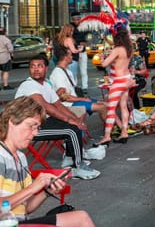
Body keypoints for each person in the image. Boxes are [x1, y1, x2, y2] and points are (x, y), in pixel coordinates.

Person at [0, 97, 95, 226]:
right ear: (12, 121)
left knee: (81, 218)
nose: (35, 133)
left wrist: (47, 190)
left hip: (19, 221)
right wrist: (32, 188)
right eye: (31, 126)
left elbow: (26, 208)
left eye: (37, 128)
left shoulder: (20, 157)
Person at [15, 55, 100, 180]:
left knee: (73, 126)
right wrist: (71, 121)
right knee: (71, 130)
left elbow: (58, 105)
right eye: (32, 66)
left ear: (46, 68)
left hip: (42, 122)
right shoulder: (29, 85)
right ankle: (78, 166)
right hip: (28, 128)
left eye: (39, 66)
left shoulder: (45, 85)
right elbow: (47, 107)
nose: (36, 69)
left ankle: (70, 160)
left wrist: (75, 120)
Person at [50, 46, 108, 125]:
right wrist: (83, 99)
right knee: (102, 107)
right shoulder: (58, 74)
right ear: (65, 57)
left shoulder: (66, 70)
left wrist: (83, 99)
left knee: (106, 104)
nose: (72, 57)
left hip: (75, 101)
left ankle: (112, 128)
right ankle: (110, 131)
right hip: (68, 105)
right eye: (70, 55)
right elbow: (64, 97)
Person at [95, 28, 133, 146]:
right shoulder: (129, 49)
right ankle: (124, 132)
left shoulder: (117, 50)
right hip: (127, 78)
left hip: (118, 81)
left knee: (111, 109)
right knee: (123, 107)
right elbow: (120, 63)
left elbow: (104, 64)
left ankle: (106, 137)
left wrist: (102, 58)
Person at [71, 12, 89, 94]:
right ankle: (75, 87)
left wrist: (85, 43)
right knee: (73, 71)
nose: (76, 21)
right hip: (73, 53)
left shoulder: (85, 26)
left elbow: (89, 39)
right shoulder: (70, 27)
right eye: (74, 19)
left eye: (77, 19)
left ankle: (85, 87)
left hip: (82, 52)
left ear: (80, 19)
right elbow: (68, 38)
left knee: (83, 71)